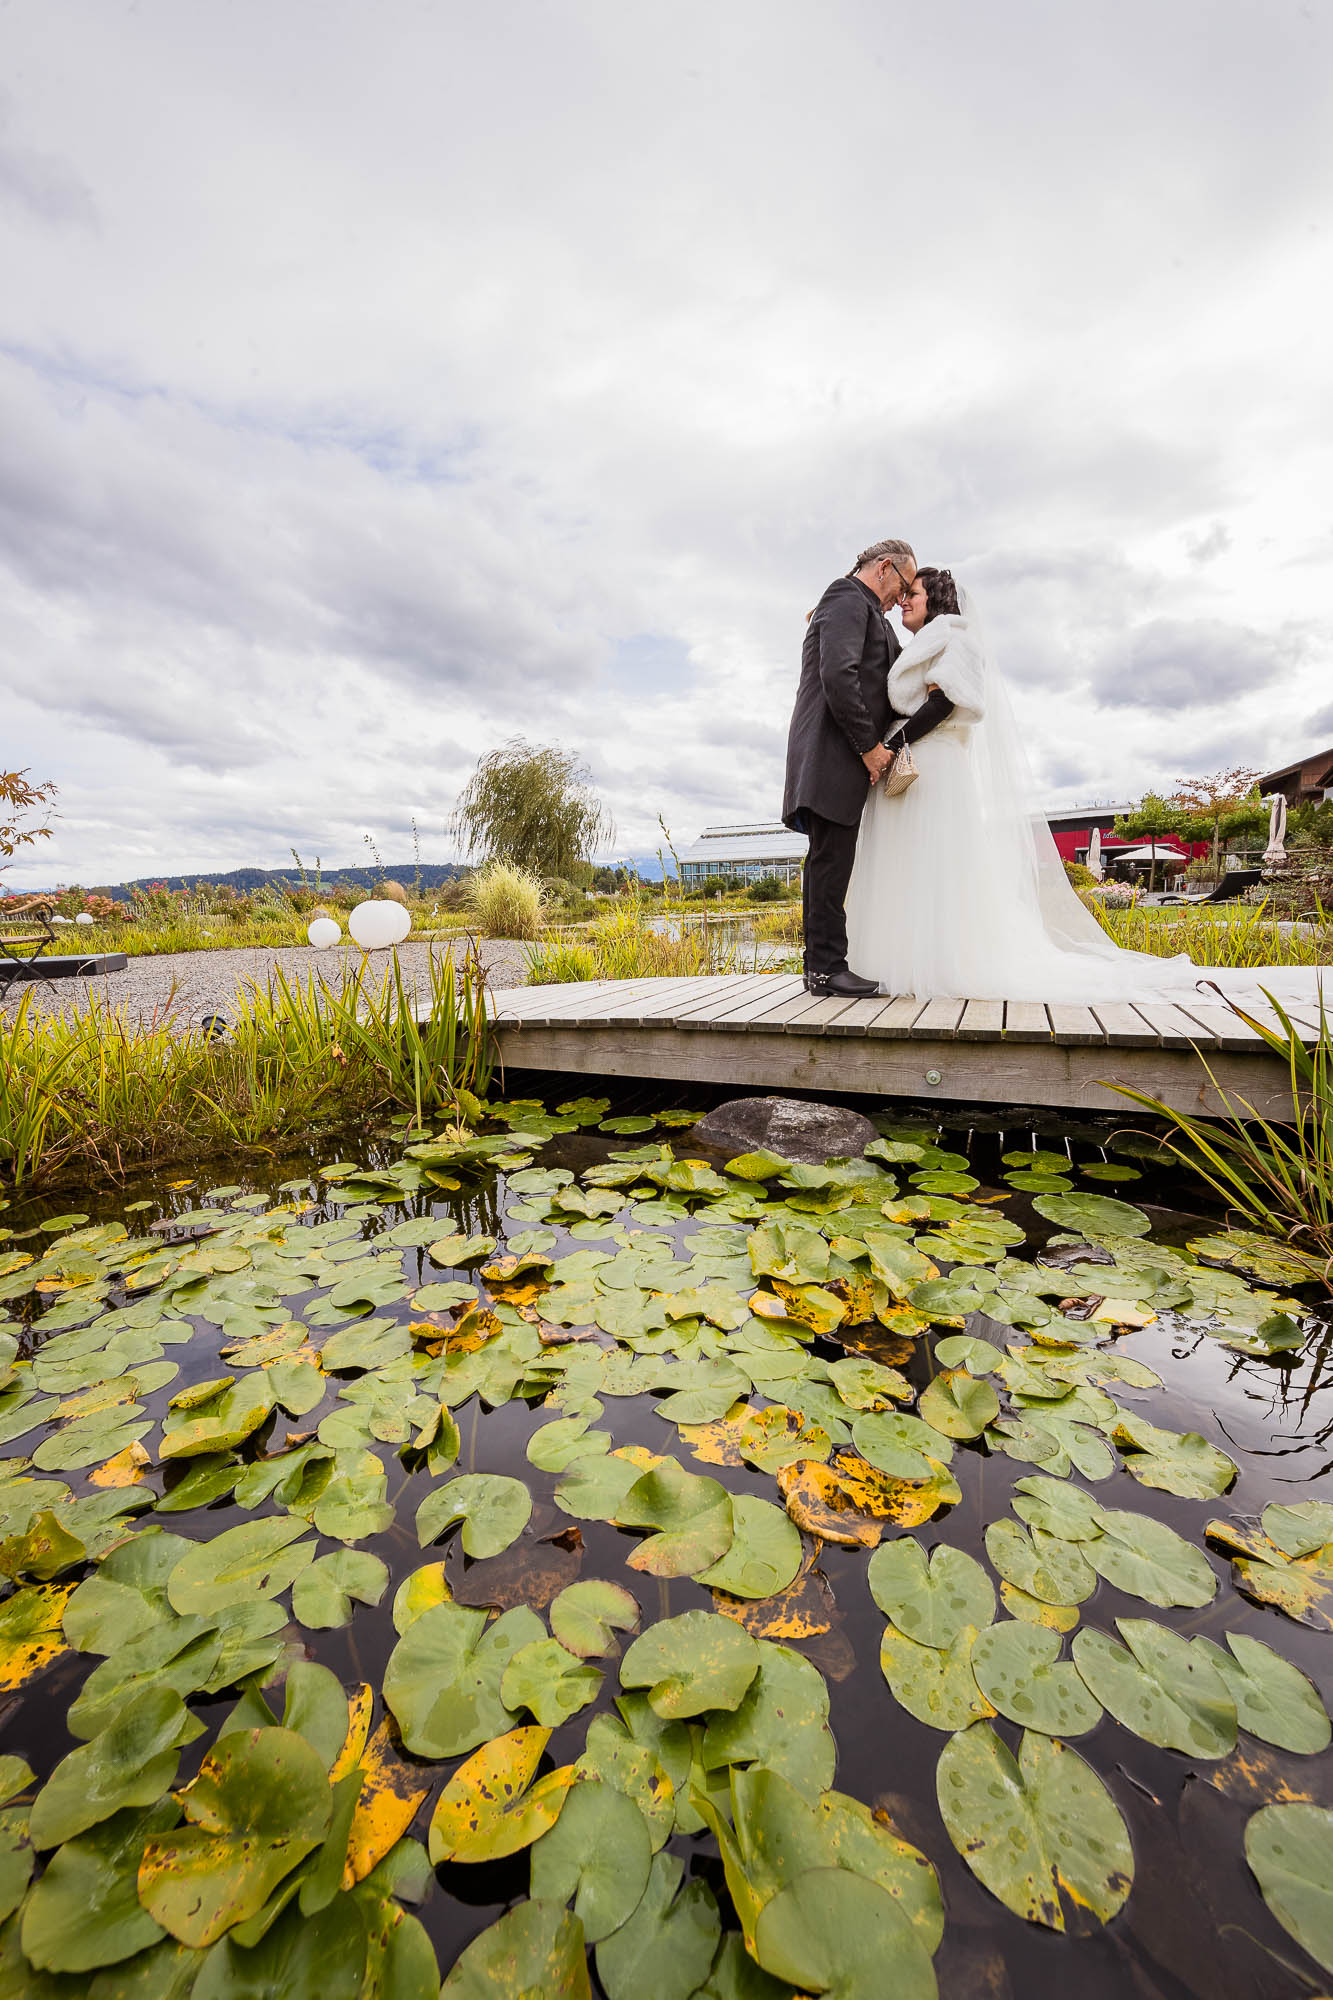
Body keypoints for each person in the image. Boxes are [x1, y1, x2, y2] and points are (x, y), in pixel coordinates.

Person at [843, 567, 1309, 1006]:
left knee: (934, 865)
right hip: (916, 760)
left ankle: (937, 964)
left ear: (937, 602)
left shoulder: (955, 639)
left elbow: (945, 703)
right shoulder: (927, 642)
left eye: (914, 594)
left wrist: (891, 746)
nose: (905, 600)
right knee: (913, 864)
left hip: (933, 765)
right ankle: (906, 958)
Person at [782, 539, 916, 995]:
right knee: (829, 863)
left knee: (831, 862)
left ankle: (821, 966)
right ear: (883, 568)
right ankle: (825, 970)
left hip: (841, 756)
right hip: (833, 754)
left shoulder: (859, 610)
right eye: (902, 586)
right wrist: (870, 748)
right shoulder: (844, 597)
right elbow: (838, 675)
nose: (902, 600)